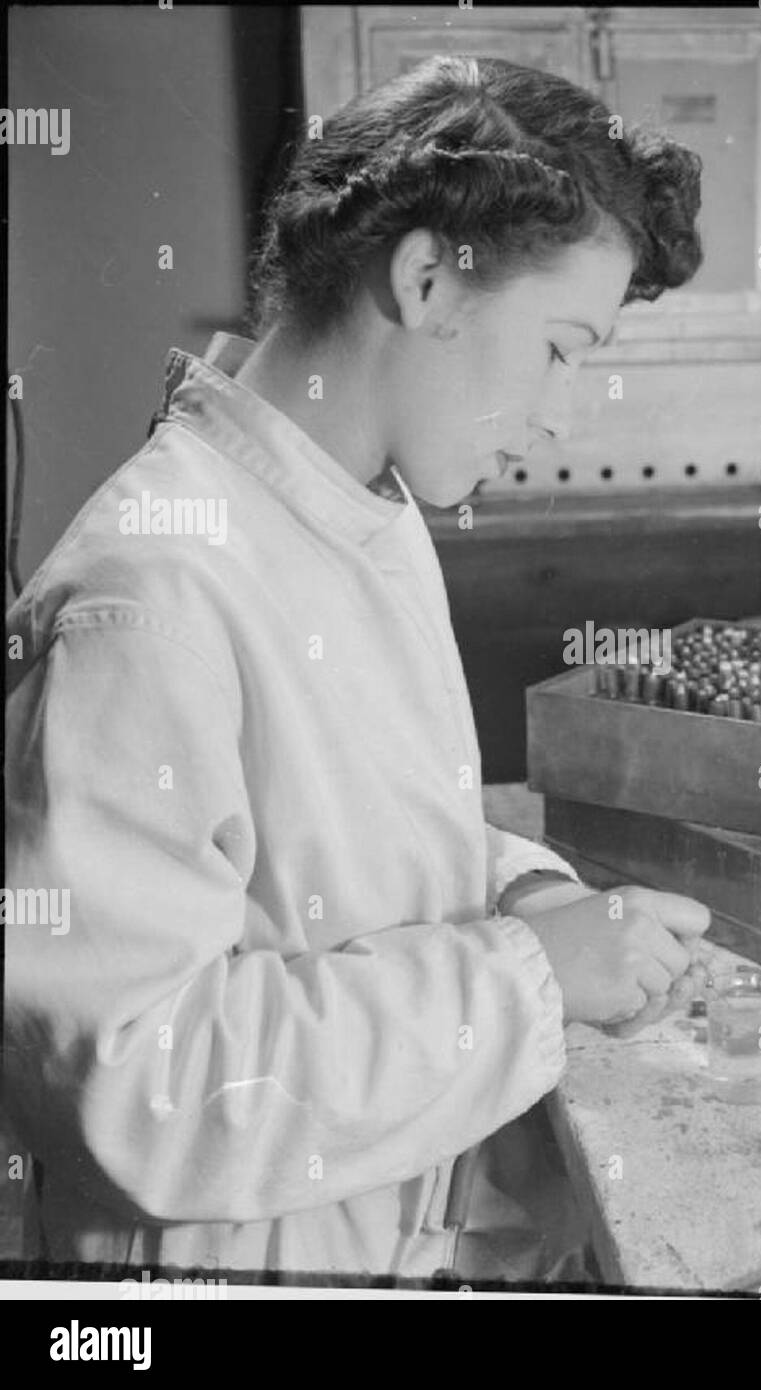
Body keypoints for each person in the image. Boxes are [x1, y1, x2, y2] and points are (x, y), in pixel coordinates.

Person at [3, 54, 709, 1283]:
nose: (566, 408)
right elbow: (136, 1085)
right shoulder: (150, 595)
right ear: (429, 278)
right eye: (559, 346)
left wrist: (530, 895)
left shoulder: (357, 510)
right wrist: (531, 977)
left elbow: (355, 845)